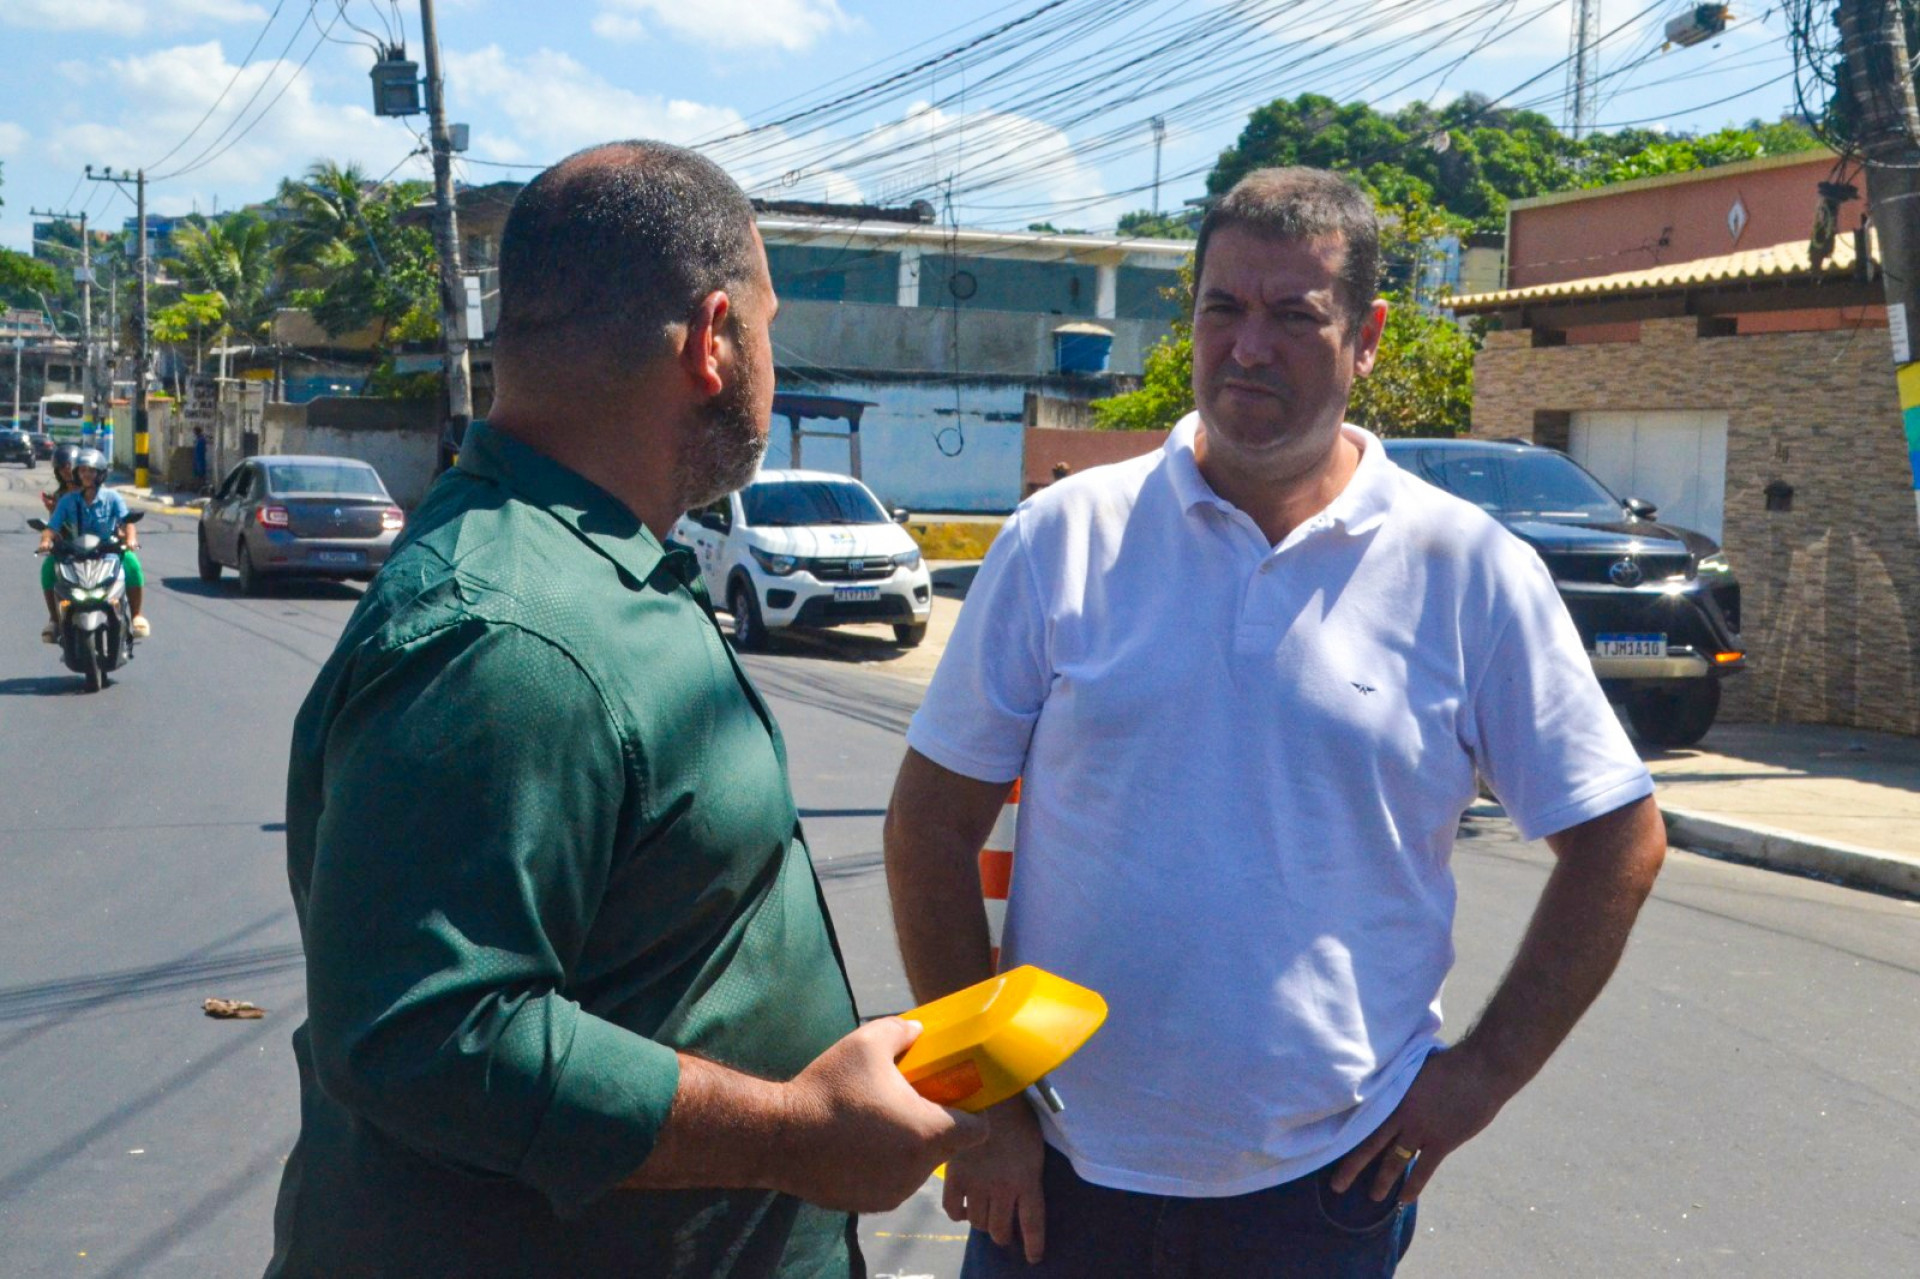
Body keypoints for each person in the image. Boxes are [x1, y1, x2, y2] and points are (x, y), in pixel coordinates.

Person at [884, 167, 1668, 1277]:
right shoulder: (1061, 540)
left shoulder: (1469, 571)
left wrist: (1479, 1078)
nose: (1248, 348)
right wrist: (985, 1106)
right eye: (1223, 309)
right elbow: (926, 827)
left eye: (1294, 316)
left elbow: (1618, 837)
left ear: (1367, 338)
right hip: (1054, 1183)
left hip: (1322, 1199)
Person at [266, 141, 983, 1279]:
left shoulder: (595, 567)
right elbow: (424, 1035)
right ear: (712, 341)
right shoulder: (510, 633)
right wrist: (800, 1135)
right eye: (768, 323)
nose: (770, 361)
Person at [40, 447, 148, 643]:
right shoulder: (65, 499)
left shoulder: (112, 497)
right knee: (48, 568)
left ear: (100, 474)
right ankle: (55, 621)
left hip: (107, 551)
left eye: (91, 471)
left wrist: (131, 539)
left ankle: (136, 616)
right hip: (74, 552)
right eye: (82, 471)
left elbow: (127, 521)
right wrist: (45, 541)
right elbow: (52, 526)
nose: (86, 475)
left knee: (132, 564)